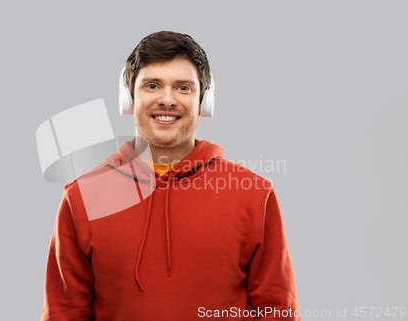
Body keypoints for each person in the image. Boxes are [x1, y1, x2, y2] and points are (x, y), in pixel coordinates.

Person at [40, 31, 301, 321]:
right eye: (152, 86)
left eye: (183, 88)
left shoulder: (252, 194)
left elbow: (279, 312)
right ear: (128, 98)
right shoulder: (84, 196)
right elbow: (64, 314)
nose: (167, 100)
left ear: (204, 101)